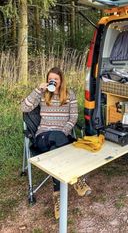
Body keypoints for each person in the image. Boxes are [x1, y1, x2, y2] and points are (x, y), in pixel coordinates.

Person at [21, 66, 91, 220]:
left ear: (61, 81)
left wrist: (63, 132)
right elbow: (24, 107)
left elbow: (73, 118)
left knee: (57, 144)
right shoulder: (42, 94)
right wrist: (37, 90)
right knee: (57, 141)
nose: (53, 81)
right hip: (43, 136)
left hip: (62, 137)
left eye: (56, 79)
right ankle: (76, 179)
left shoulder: (70, 94)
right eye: (50, 79)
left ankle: (57, 195)